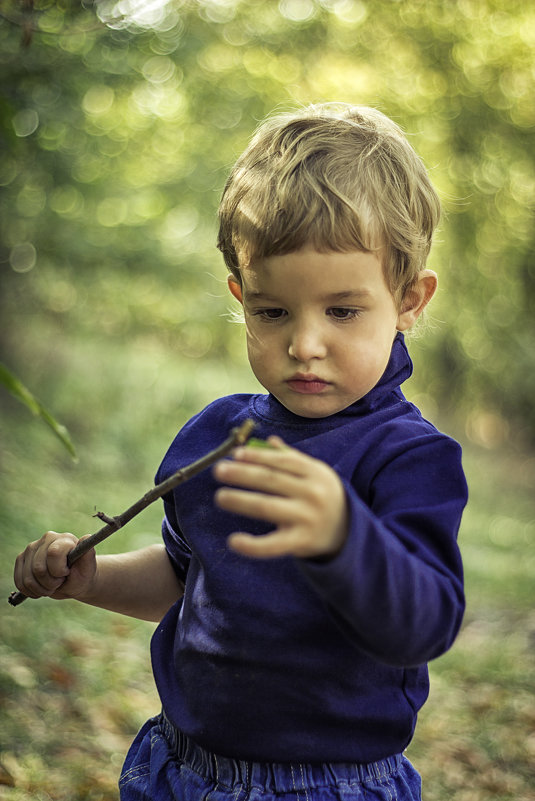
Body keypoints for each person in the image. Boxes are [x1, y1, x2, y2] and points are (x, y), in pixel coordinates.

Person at [13, 103, 468, 800]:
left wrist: (344, 538)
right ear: (241, 295)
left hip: (330, 785)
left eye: (342, 311)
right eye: (272, 311)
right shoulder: (216, 437)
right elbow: (185, 577)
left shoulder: (407, 458)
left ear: (408, 299)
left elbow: (423, 624)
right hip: (180, 769)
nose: (303, 344)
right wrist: (92, 578)